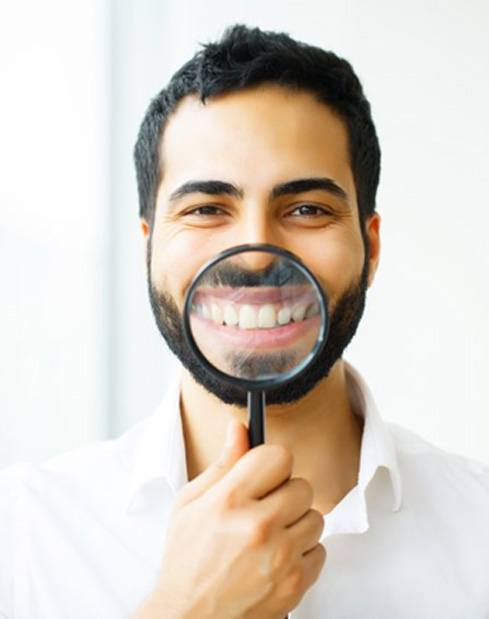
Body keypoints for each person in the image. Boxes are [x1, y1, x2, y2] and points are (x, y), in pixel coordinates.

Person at [1, 24, 488, 619]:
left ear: (372, 247)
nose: (257, 251)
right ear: (147, 248)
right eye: (207, 209)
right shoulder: (22, 536)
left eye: (307, 209)